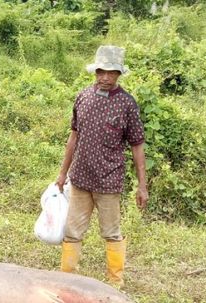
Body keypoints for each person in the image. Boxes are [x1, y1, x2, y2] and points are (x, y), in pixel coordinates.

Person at [56, 45, 148, 286]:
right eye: (101, 71)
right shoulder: (83, 96)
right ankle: (67, 282)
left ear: (119, 74)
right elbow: (73, 137)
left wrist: (142, 186)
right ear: (95, 71)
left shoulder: (127, 104)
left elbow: (137, 145)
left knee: (111, 233)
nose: (105, 77)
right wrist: (62, 173)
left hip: (109, 181)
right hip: (80, 178)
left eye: (111, 72)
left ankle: (115, 284)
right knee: (72, 232)